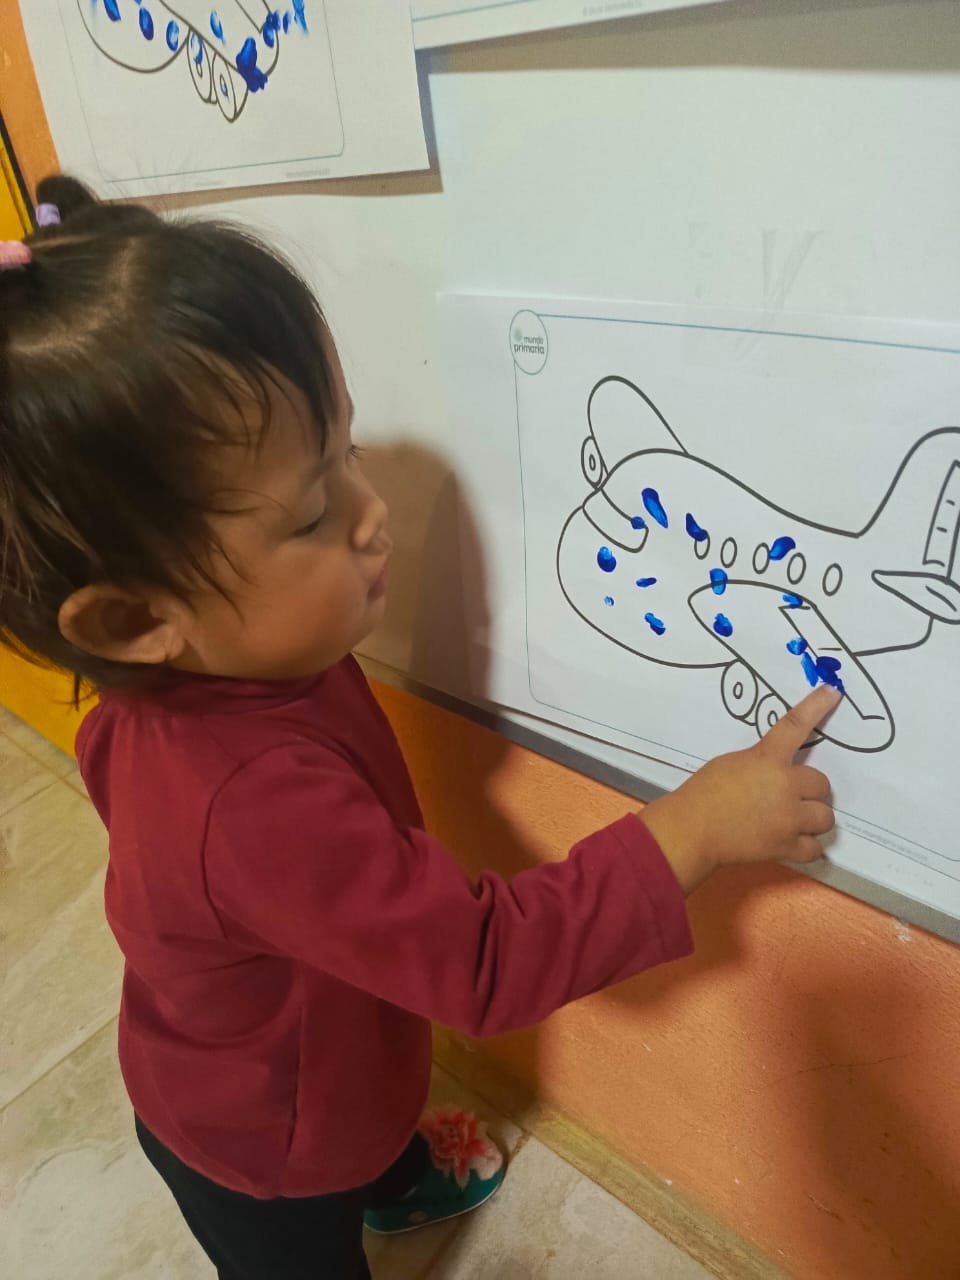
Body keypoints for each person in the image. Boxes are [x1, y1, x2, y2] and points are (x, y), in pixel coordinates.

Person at [0, 175, 839, 1280]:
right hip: (265, 1147)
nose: (371, 510)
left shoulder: (204, 675)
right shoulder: (252, 807)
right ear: (136, 620)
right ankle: (362, 1174)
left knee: (351, 1046)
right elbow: (481, 962)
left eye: (347, 449)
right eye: (313, 511)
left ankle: (386, 1163)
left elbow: (341, 913)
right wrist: (694, 826)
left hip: (302, 1040)